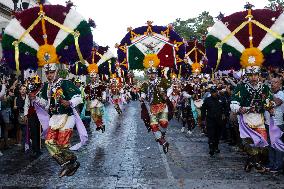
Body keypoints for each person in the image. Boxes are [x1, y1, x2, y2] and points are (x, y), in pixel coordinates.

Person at [30, 63, 83, 177]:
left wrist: (69, 102)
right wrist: (36, 98)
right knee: (49, 142)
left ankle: (72, 161)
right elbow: (46, 104)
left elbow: (79, 97)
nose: (49, 75)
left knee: (63, 144)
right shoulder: (46, 86)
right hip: (54, 118)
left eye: (51, 72)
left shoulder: (65, 83)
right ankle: (68, 164)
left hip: (67, 116)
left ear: (56, 72)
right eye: (47, 73)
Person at [231, 66, 273, 172]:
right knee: (251, 145)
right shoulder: (241, 87)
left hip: (260, 119)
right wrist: (240, 109)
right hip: (246, 119)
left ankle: (250, 162)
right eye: (251, 75)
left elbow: (269, 100)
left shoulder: (264, 87)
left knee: (262, 145)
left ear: (259, 75)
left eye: (255, 75)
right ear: (247, 76)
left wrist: (269, 106)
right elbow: (233, 103)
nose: (253, 78)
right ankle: (258, 165)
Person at [140, 67, 171, 153]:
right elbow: (143, 93)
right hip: (152, 107)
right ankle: (163, 141)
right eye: (150, 74)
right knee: (153, 125)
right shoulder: (145, 84)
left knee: (164, 123)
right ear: (147, 75)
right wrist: (142, 97)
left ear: (156, 74)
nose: (151, 75)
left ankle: (163, 133)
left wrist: (167, 95)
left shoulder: (162, 81)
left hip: (163, 106)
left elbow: (170, 87)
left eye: (153, 73)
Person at [265, 76, 284, 173]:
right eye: (271, 82)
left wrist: (268, 95)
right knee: (270, 144)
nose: (272, 84)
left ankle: (278, 165)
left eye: (275, 82)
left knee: (277, 145)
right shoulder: (269, 94)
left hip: (277, 123)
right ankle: (272, 163)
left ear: (280, 84)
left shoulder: (281, 93)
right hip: (268, 123)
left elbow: (277, 102)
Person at [201, 86, 226, 157]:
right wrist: (203, 119)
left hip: (219, 120)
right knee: (211, 134)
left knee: (217, 134)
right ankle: (211, 148)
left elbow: (226, 107)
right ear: (211, 92)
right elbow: (203, 109)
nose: (214, 93)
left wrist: (224, 114)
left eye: (215, 92)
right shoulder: (207, 100)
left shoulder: (221, 99)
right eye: (212, 92)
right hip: (210, 120)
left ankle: (216, 146)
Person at [24, 75, 42, 158]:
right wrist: (25, 115)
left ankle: (38, 149)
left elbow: (44, 104)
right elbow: (26, 104)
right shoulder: (30, 92)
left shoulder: (40, 92)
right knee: (33, 133)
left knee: (38, 132)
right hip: (31, 115)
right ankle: (35, 150)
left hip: (40, 115)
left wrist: (36, 98)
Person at [84, 66, 107, 133]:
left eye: (94, 77)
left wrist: (103, 98)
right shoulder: (88, 86)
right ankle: (99, 125)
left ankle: (100, 125)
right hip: (91, 102)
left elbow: (104, 92)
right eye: (91, 77)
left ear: (96, 77)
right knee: (93, 115)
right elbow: (85, 93)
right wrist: (86, 96)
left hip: (98, 101)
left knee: (99, 115)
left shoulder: (100, 85)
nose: (93, 79)